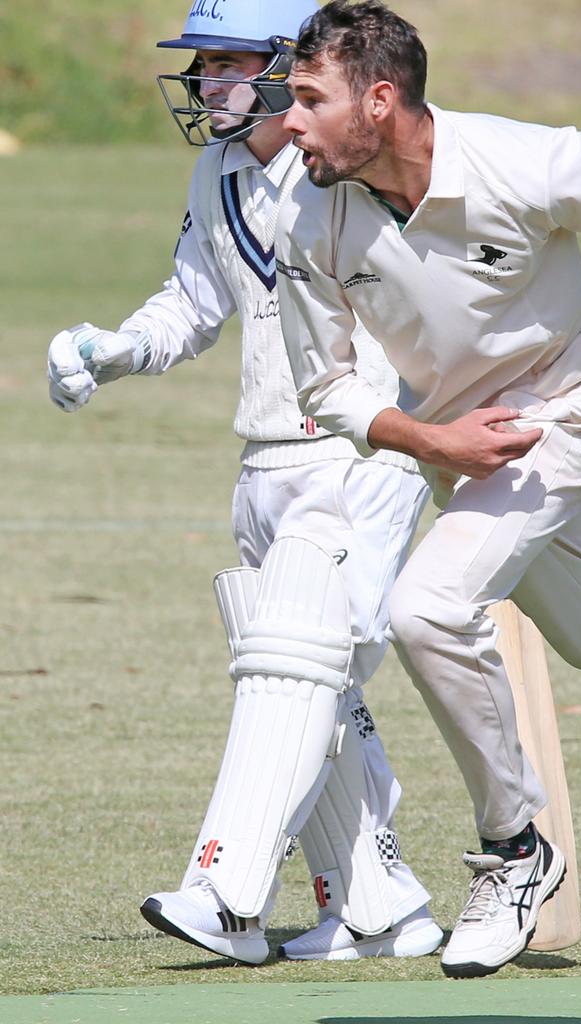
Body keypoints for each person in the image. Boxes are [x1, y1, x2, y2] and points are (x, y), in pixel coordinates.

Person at [274, 0, 581, 979]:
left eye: (308, 98)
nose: (289, 121)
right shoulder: (308, 208)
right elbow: (325, 384)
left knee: (426, 607)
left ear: (380, 98)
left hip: (562, 416)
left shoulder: (525, 162)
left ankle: (514, 849)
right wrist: (429, 437)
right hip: (463, 450)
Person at [45, 0, 443, 966]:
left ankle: (225, 893)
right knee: (311, 683)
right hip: (262, 457)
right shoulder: (216, 167)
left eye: (227, 62)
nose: (206, 83)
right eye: (201, 64)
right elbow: (194, 301)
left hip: (361, 454)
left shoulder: (350, 169)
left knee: (295, 671)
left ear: (287, 65)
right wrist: (117, 345)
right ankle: (381, 906)